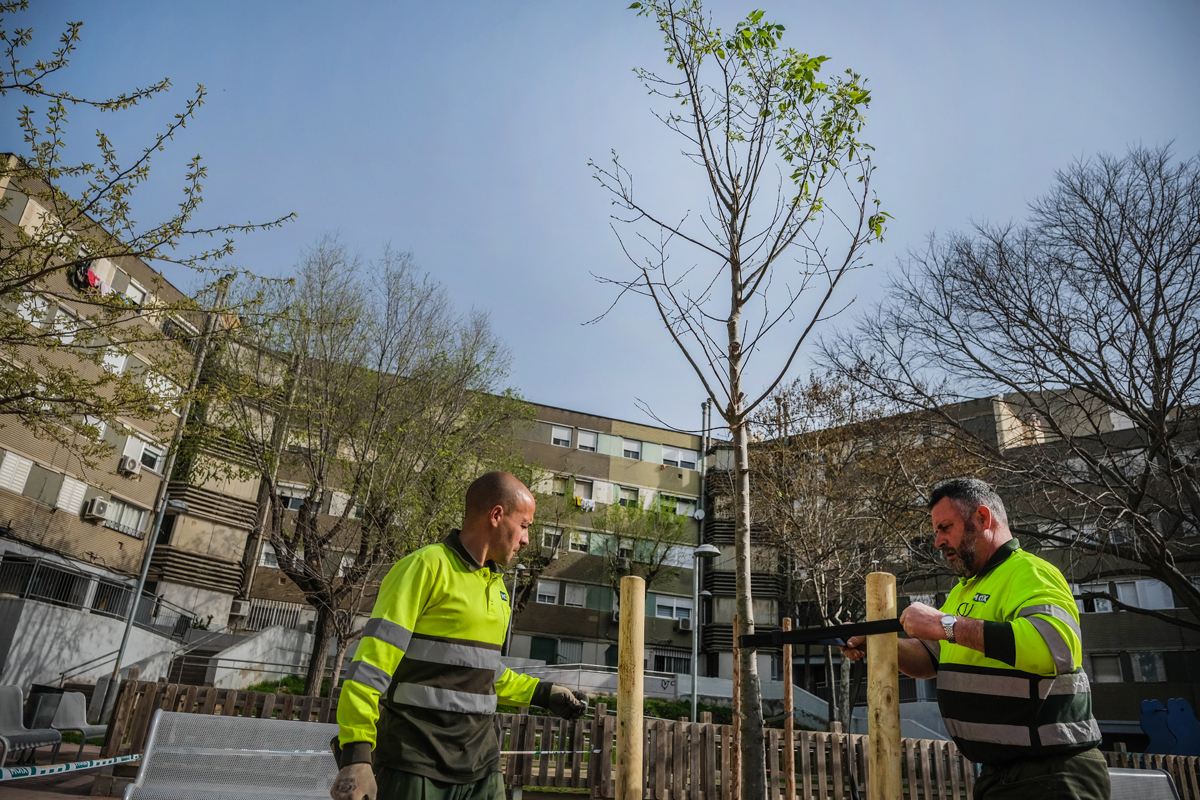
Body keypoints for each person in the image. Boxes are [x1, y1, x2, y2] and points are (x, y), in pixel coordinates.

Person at [843, 477, 1109, 800]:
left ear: (983, 518)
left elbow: (1054, 648)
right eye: (936, 532)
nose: (938, 541)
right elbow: (930, 659)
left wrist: (945, 623)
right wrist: (878, 647)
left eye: (945, 527)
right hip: (999, 776)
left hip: (1051, 772)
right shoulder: (963, 591)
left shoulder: (1030, 572)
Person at [331, 471, 588, 800]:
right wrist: (356, 757)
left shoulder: (499, 590)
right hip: (415, 766)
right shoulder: (424, 567)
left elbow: (481, 673)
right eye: (524, 526)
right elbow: (370, 668)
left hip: (483, 769)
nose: (526, 540)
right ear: (496, 515)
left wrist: (546, 693)